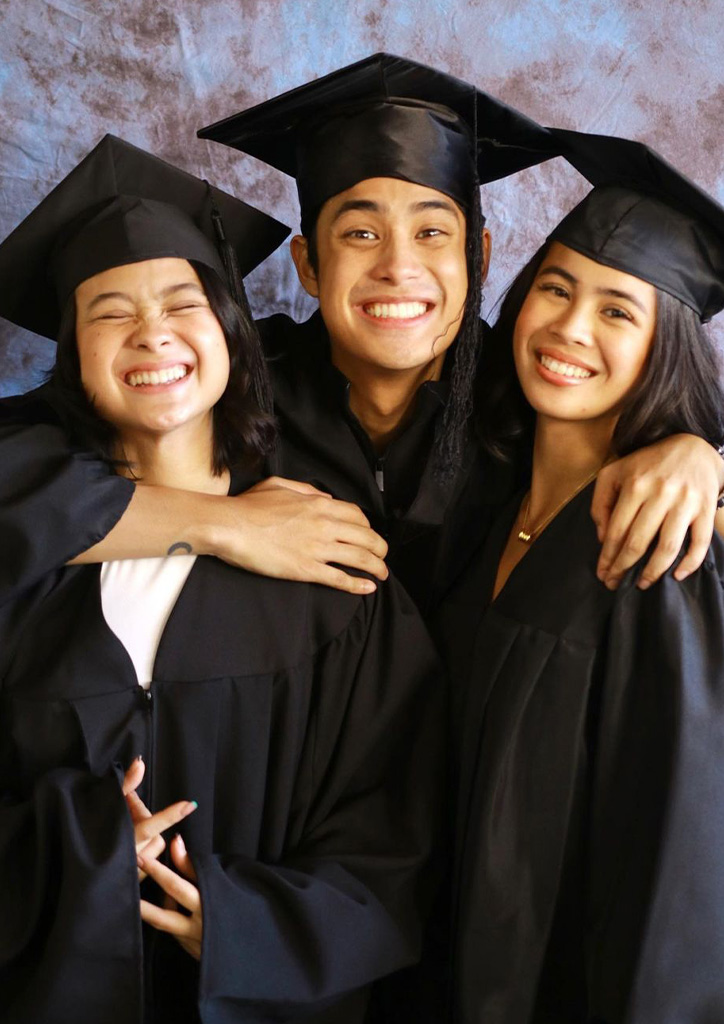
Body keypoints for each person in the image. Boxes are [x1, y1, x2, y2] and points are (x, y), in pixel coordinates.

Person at [3, 54, 721, 618]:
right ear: (309, 265)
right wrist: (223, 525)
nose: (399, 267)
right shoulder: (232, 382)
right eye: (360, 232)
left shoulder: (536, 389)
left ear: (481, 257)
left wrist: (701, 455)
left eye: (433, 232)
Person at [0, 135, 444, 1024]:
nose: (152, 332)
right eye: (108, 313)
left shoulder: (330, 568)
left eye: (181, 302)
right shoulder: (27, 573)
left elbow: (399, 832)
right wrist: (70, 849)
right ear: (75, 357)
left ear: (230, 332)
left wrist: (244, 928)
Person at [438, 129, 724, 1023]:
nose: (569, 329)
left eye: (617, 311)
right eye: (554, 290)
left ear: (663, 346)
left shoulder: (663, 553)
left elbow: (676, 858)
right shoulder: (481, 510)